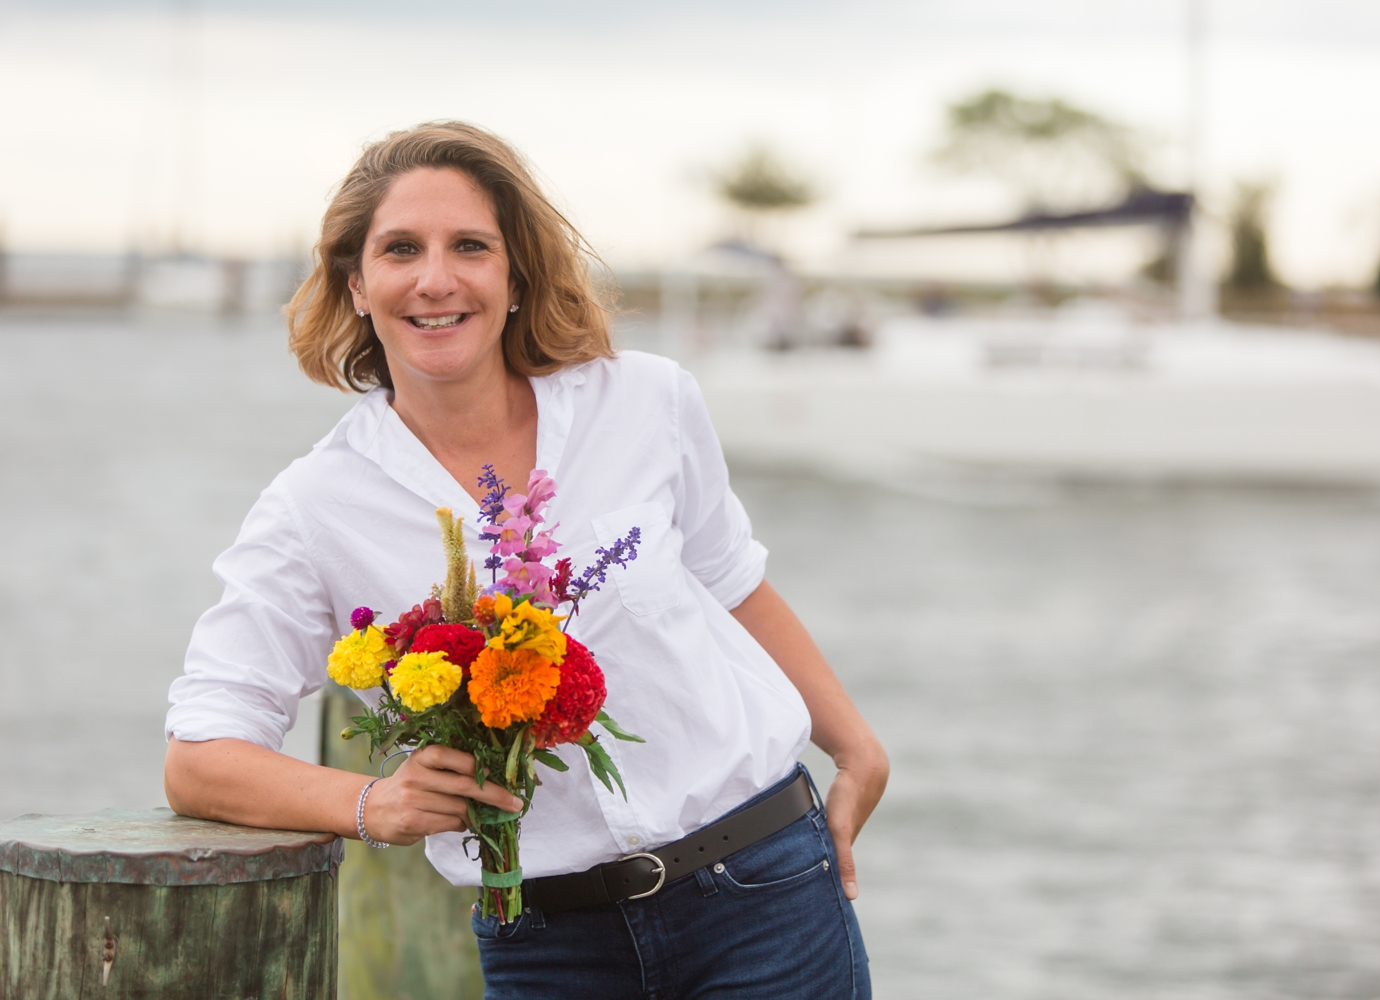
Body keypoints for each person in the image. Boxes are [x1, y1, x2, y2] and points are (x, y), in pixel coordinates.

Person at [163, 121, 887, 999]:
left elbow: (733, 583)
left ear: (514, 277)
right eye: (401, 249)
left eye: (470, 246)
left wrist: (856, 750)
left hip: (765, 896)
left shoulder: (647, 400)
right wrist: (371, 805)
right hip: (547, 946)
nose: (437, 279)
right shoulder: (313, 508)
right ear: (356, 284)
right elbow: (200, 756)